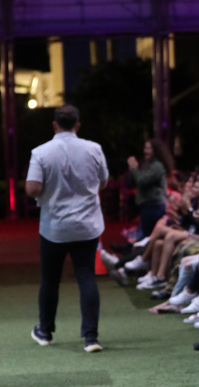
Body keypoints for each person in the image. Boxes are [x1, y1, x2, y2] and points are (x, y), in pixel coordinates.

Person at [25, 104, 109, 352]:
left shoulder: (40, 152)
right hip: (87, 225)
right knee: (86, 276)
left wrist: (50, 190)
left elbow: (32, 188)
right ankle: (91, 337)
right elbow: (103, 182)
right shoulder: (94, 149)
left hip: (55, 226)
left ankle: (45, 331)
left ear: (54, 125)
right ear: (77, 125)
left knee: (50, 280)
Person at [126, 138, 173, 240]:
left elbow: (142, 181)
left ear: (155, 150)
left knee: (148, 236)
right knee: (144, 234)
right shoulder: (148, 165)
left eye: (148, 148)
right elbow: (135, 182)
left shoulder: (157, 166)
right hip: (147, 205)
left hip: (153, 206)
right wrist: (132, 170)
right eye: (145, 148)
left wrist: (134, 169)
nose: (145, 151)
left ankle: (135, 249)